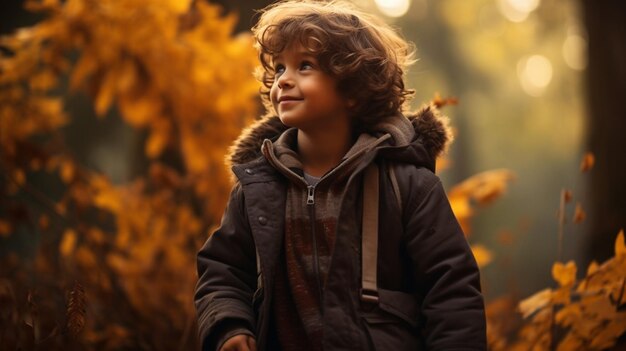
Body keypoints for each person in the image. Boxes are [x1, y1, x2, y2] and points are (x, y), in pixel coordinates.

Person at [194, 0, 486, 350]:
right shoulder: (258, 185)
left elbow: (451, 290)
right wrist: (230, 325)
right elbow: (223, 270)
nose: (284, 80)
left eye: (304, 66)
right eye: (279, 67)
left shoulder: (408, 185)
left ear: (353, 88)